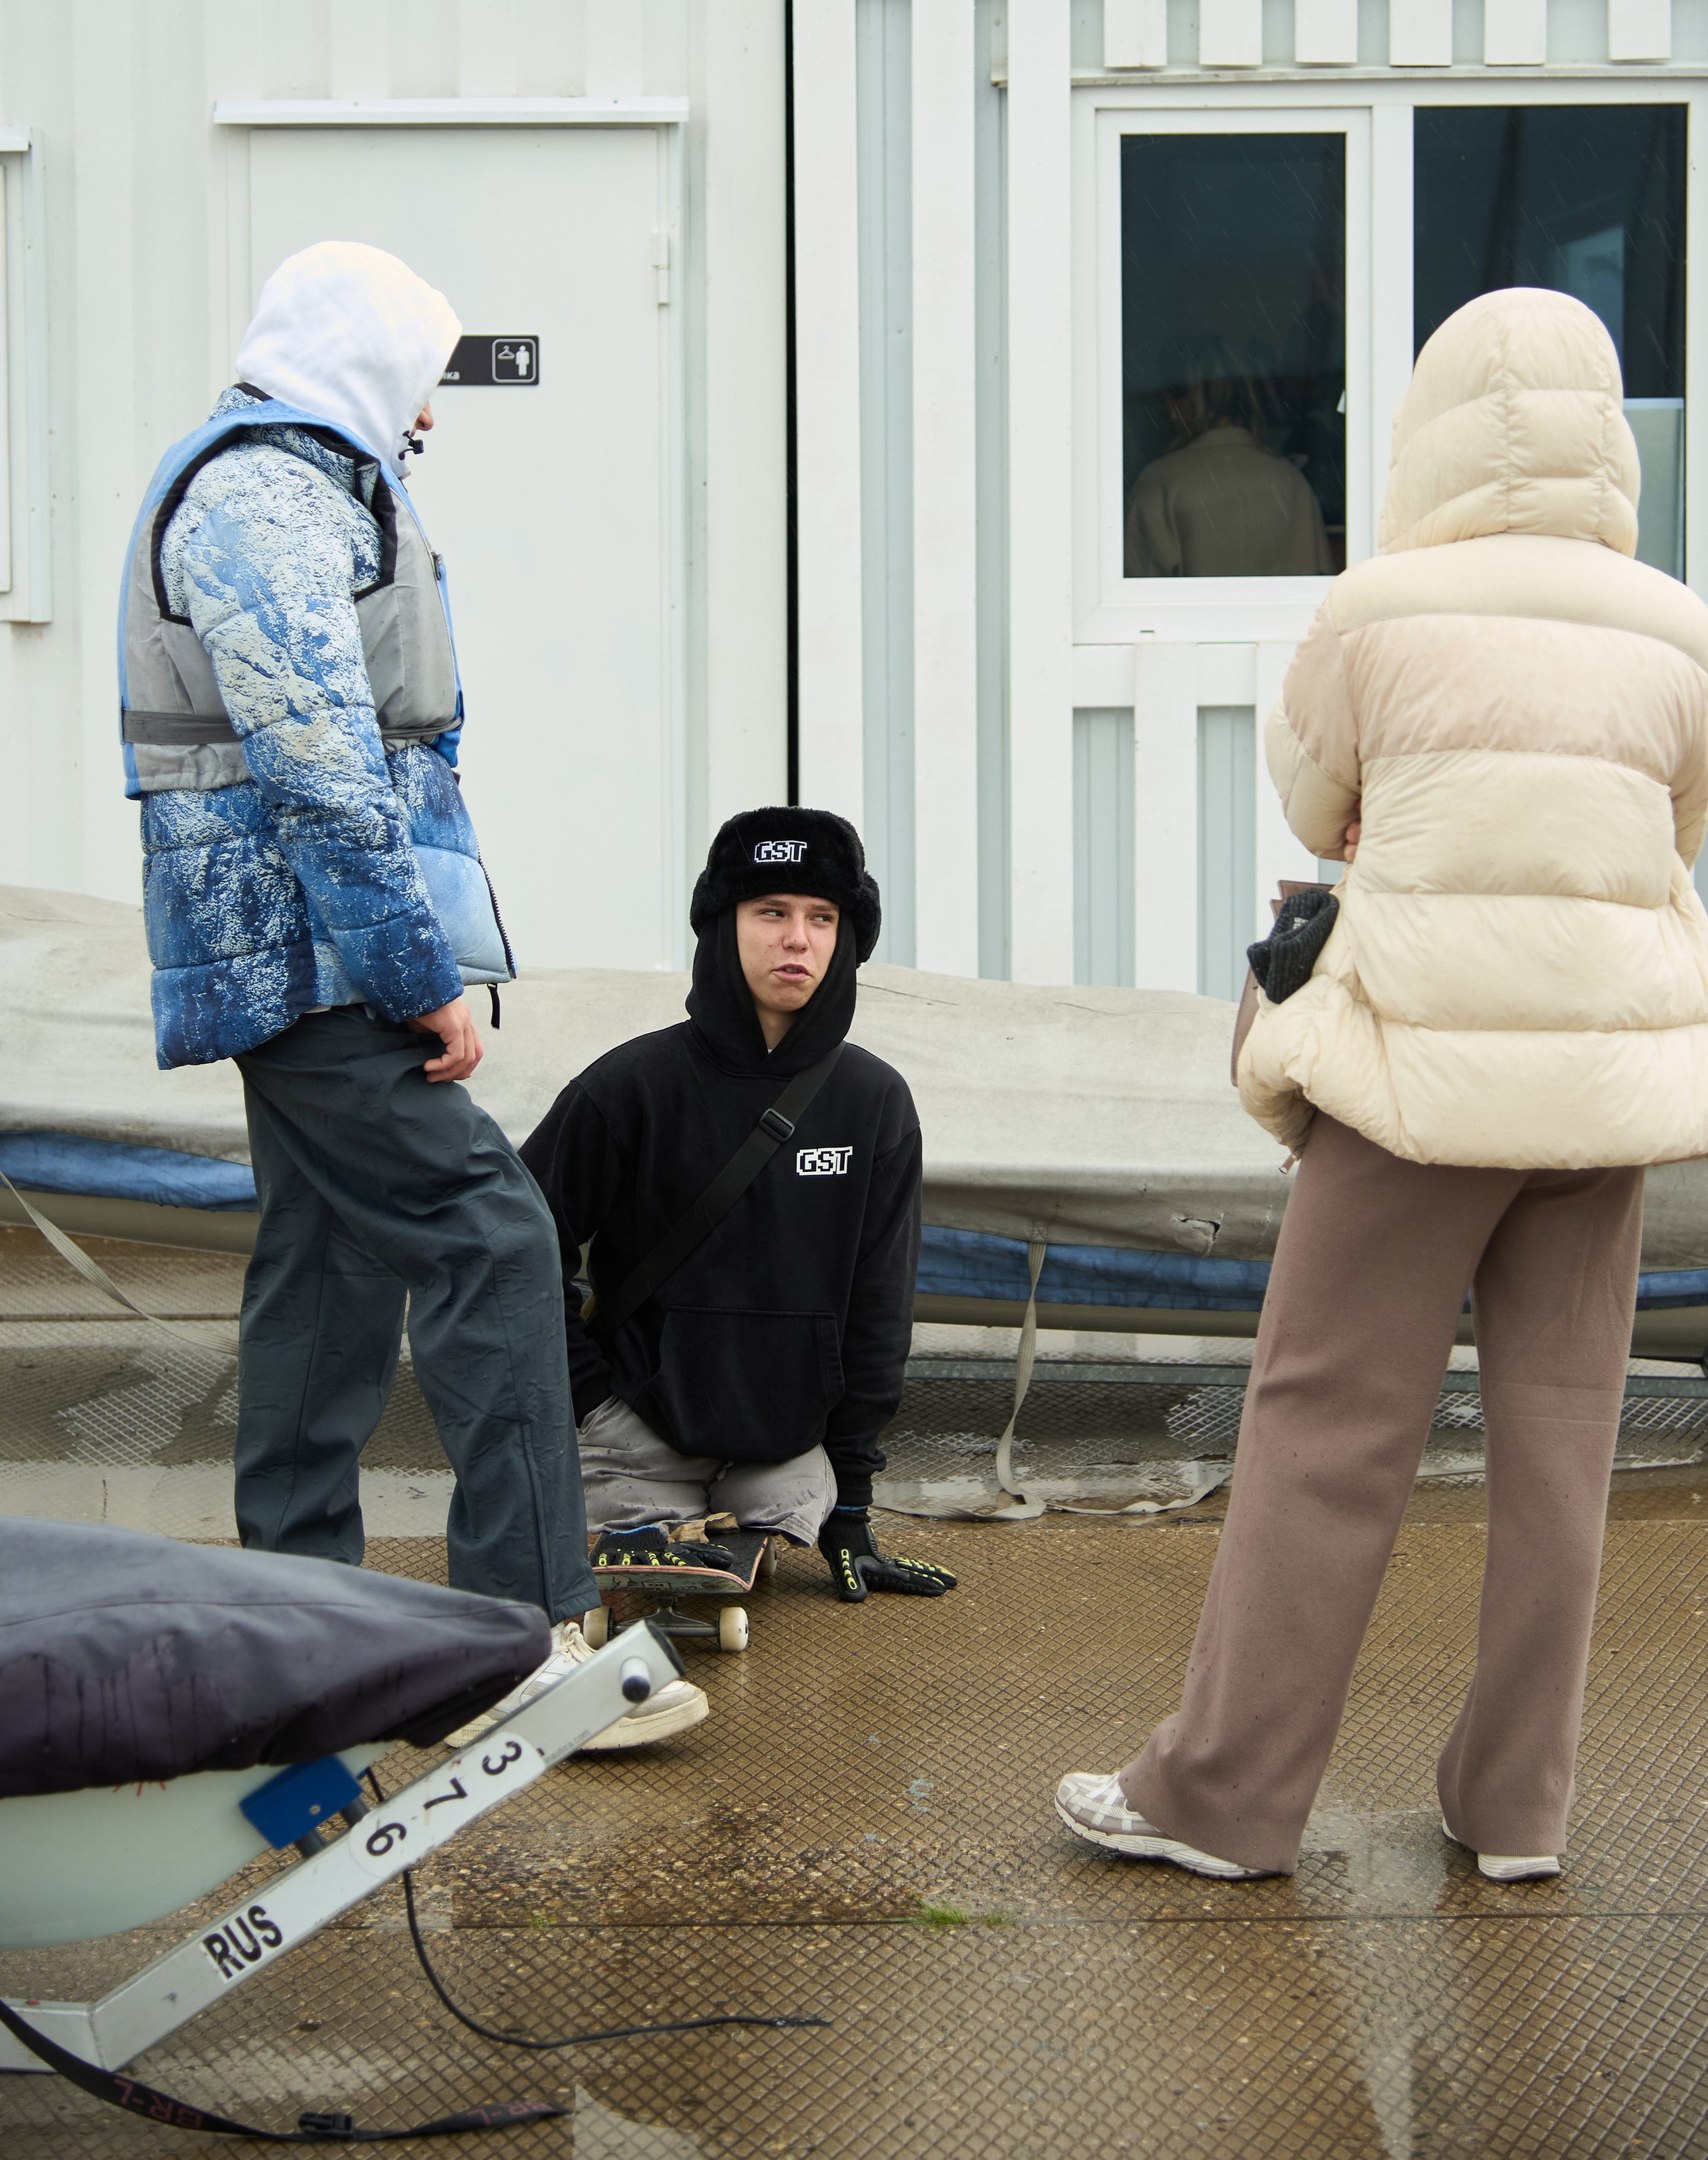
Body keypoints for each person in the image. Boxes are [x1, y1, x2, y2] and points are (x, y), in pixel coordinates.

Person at [1058, 286, 1708, 1880]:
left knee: (1323, 1425)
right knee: (1560, 1437)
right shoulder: (1674, 623)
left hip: (1408, 1063)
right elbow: (1664, 837)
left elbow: (1312, 808)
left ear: (1423, 427)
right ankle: (1513, 1807)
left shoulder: (1375, 606)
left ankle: (1220, 1794)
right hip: (1597, 1083)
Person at [116, 239, 705, 1750]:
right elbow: (319, 775)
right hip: (307, 951)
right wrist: (418, 973)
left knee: (326, 1265)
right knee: (494, 1232)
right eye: (422, 376)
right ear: (358, 359)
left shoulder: (313, 482)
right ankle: (517, 1646)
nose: (432, 412)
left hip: (298, 945)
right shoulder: (261, 495)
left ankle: (295, 1633)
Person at [521, 807, 956, 1608]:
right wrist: (588, 1397)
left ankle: (782, 1515)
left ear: (845, 939)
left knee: (772, 1536)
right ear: (723, 926)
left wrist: (852, 1503)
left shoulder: (874, 1102)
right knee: (649, 1596)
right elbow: (514, 1245)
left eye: (821, 917)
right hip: (635, 1435)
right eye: (771, 913)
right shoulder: (629, 1086)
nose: (797, 939)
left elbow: (878, 1306)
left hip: (785, 1447)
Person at [1126, 333, 1331, 578]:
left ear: (1179, 399)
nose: (1167, 413)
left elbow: (1139, 598)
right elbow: (1325, 591)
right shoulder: (1290, 481)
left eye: (1168, 398)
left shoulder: (1161, 483)